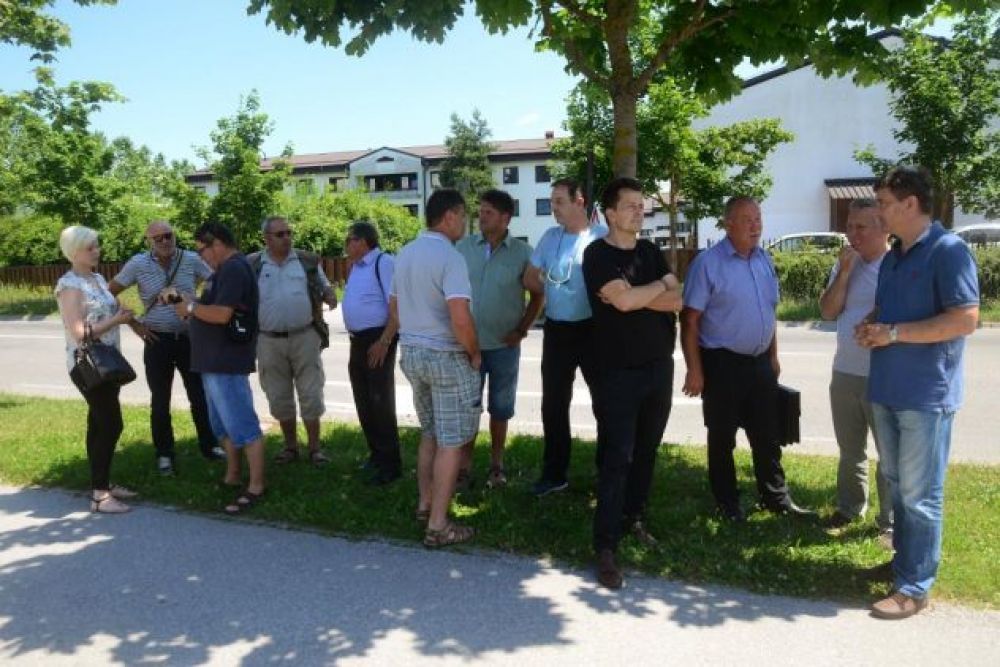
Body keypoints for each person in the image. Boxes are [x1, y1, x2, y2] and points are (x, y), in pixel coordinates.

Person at [856, 166, 979, 620]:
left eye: (884, 203)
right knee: (897, 485)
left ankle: (914, 587)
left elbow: (965, 319)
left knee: (920, 494)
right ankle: (904, 565)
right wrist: (872, 323)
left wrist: (892, 332)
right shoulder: (894, 256)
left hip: (926, 394)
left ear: (910, 204)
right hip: (887, 387)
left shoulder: (949, 251)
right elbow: (889, 310)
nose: (878, 212)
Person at [681, 196, 814, 521]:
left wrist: (774, 356)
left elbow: (769, 311)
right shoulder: (708, 263)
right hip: (722, 363)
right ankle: (727, 503)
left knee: (767, 434)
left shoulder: (763, 259)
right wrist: (694, 369)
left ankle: (775, 498)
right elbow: (690, 320)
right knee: (722, 436)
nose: (756, 226)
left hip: (760, 363)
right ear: (728, 224)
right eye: (747, 220)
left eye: (758, 219)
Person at [583, 177, 682, 589]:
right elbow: (623, 302)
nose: (640, 211)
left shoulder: (650, 252)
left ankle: (633, 518)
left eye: (642, 205)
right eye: (631, 206)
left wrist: (640, 293)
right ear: (610, 214)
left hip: (658, 368)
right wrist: (656, 288)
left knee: (646, 451)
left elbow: (677, 299)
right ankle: (605, 546)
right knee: (616, 457)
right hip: (617, 373)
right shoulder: (597, 255)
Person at [392, 188, 481, 548]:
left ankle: (425, 504)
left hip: (412, 352)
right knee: (451, 441)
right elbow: (460, 317)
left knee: (429, 433)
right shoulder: (450, 257)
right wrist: (474, 352)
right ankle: (438, 525)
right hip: (445, 355)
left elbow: (394, 307)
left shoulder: (405, 253)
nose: (466, 223)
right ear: (450, 216)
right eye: (464, 216)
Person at [109, 220, 222, 476]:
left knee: (199, 396)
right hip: (156, 340)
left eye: (168, 235)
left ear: (174, 235)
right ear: (149, 241)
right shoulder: (138, 264)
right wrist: (134, 324)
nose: (164, 241)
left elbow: (216, 283)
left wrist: (198, 302)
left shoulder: (191, 259)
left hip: (189, 338)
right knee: (160, 401)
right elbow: (109, 293)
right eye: (157, 238)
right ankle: (164, 454)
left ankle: (210, 446)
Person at [174, 222, 266, 515]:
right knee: (222, 425)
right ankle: (233, 474)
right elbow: (210, 309)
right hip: (213, 361)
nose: (201, 257)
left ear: (217, 244)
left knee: (243, 424)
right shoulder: (222, 271)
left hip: (226, 361)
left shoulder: (234, 269)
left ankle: (256, 486)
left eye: (202, 250)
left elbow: (222, 314)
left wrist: (190, 308)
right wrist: (187, 302)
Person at [523, 178, 607, 496]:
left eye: (559, 201)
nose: (553, 208)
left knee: (604, 402)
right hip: (557, 331)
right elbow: (529, 278)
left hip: (593, 331)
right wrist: (553, 289)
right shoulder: (550, 237)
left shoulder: (601, 236)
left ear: (579, 201)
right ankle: (554, 473)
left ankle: (607, 470)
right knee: (554, 404)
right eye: (552, 202)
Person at [456, 189, 544, 488]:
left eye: (488, 212)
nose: (481, 217)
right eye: (480, 211)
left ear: (505, 218)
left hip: (504, 347)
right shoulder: (463, 248)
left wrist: (522, 329)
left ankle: (496, 465)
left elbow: (538, 295)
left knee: (501, 408)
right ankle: (464, 467)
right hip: (468, 346)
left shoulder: (523, 253)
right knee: (469, 408)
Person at [818, 200, 893, 541]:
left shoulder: (895, 265)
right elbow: (828, 311)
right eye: (849, 226)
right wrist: (845, 272)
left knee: (888, 455)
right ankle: (849, 508)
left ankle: (889, 522)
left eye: (861, 227)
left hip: (882, 374)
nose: (852, 234)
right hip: (845, 371)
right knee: (850, 450)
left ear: (884, 228)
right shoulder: (846, 263)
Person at [55, 225, 137, 513]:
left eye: (96, 245)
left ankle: (100, 484)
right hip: (88, 365)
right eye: (89, 247)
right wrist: (116, 321)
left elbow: (107, 309)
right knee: (112, 424)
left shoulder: (98, 278)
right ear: (73, 252)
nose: (96, 251)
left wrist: (122, 313)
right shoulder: (70, 286)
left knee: (98, 423)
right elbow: (79, 332)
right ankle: (100, 497)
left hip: (108, 362)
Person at [247, 216, 338, 466]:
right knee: (278, 396)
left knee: (311, 394)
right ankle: (290, 447)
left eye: (289, 233)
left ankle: (315, 449)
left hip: (305, 336)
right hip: (268, 341)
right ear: (266, 238)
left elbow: (323, 284)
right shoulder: (252, 264)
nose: (286, 238)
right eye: (280, 234)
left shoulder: (307, 260)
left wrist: (329, 293)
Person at [342, 219, 402, 485]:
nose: (346, 245)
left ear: (363, 242)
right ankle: (376, 455)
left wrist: (384, 341)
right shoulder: (356, 266)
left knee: (380, 402)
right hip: (357, 341)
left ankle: (391, 465)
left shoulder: (383, 263)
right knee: (364, 400)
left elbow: (397, 308)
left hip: (378, 339)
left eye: (350, 240)